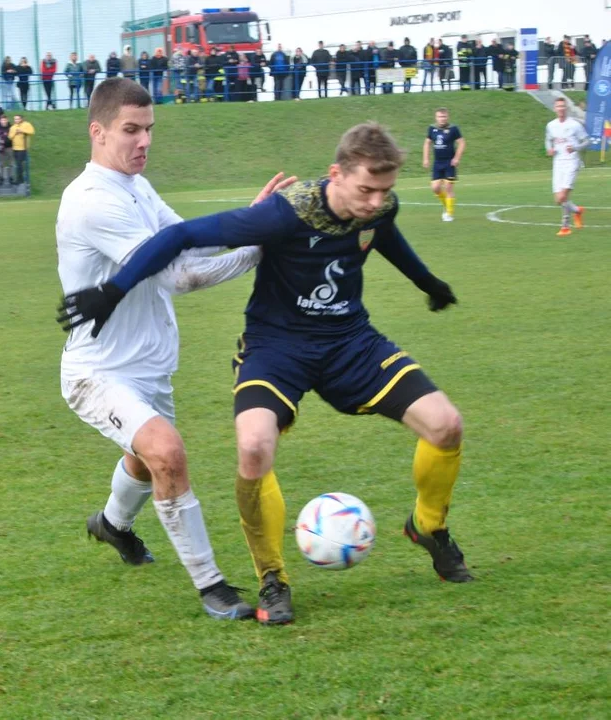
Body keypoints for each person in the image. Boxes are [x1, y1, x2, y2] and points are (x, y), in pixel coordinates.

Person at [59, 121, 471, 626]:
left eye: (384, 191)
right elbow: (182, 235)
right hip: (277, 347)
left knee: (446, 424)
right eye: (365, 189)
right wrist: (115, 289)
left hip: (351, 343)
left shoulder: (379, 206)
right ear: (336, 173)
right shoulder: (286, 213)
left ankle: (429, 527)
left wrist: (429, 283)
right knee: (253, 446)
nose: (374, 201)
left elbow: (387, 239)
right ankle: (273, 578)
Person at [54, 78, 288, 620]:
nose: (143, 142)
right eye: (131, 131)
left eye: (149, 130)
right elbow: (180, 276)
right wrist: (260, 248)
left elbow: (185, 236)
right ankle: (212, 586)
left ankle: (112, 525)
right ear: (98, 132)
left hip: (149, 366)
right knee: (168, 454)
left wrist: (250, 219)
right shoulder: (92, 201)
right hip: (98, 369)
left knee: (143, 462)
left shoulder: (136, 186)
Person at [545, 97, 588, 237]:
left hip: (572, 162)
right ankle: (577, 210)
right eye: (558, 106)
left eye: (563, 106)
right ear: (555, 109)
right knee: (558, 199)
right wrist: (549, 149)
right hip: (558, 163)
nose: (561, 109)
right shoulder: (551, 125)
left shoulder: (575, 125)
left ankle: (565, 227)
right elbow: (548, 140)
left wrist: (575, 147)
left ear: (567, 108)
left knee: (563, 195)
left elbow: (587, 141)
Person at [422, 107, 465, 222]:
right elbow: (427, 143)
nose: (442, 119)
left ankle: (449, 214)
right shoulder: (432, 129)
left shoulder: (453, 129)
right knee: (435, 188)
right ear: (436, 117)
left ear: (447, 117)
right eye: (440, 117)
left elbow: (462, 143)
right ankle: (447, 204)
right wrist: (426, 158)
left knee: (448, 187)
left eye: (444, 116)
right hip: (437, 163)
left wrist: (457, 158)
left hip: (449, 162)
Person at [8, 113, 34, 192]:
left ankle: (20, 180)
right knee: (17, 164)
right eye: (15, 119)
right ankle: (19, 178)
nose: (16, 120)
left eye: (18, 119)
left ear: (21, 119)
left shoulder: (26, 124)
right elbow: (10, 137)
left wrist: (22, 130)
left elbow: (32, 132)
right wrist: (15, 132)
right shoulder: (13, 127)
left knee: (19, 164)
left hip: (23, 148)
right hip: (15, 148)